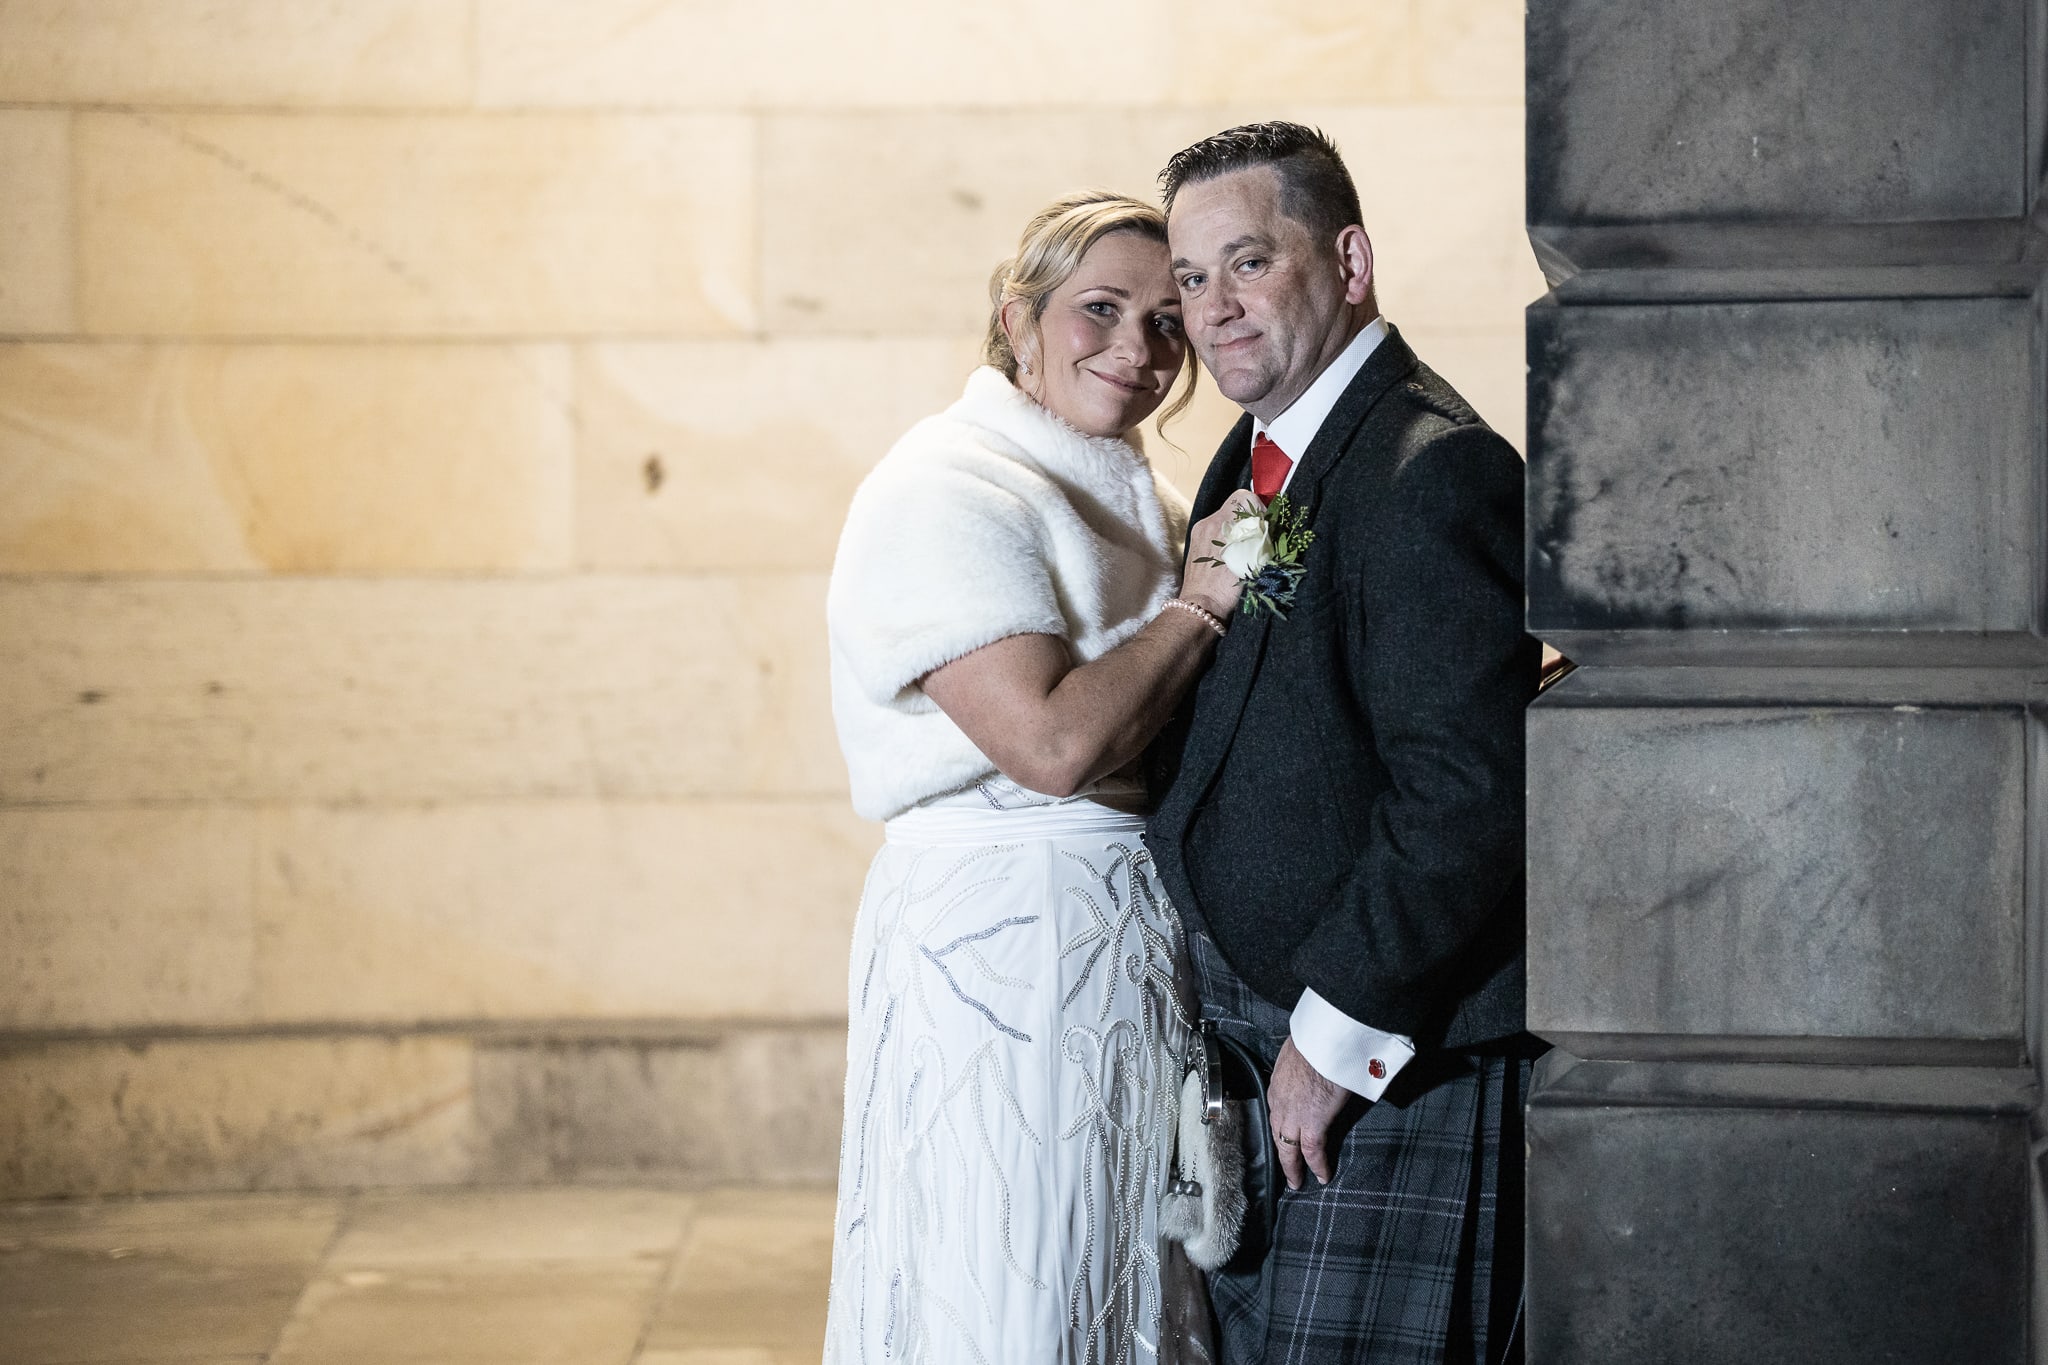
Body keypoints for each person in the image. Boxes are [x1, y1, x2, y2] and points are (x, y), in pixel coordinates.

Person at [822, 190, 1258, 1365]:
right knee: (1010, 1268)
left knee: (1122, 1272)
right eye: (1099, 310)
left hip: (1116, 941)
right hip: (1000, 948)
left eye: (1168, 323)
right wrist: (1200, 607)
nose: (1135, 351)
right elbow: (1054, 746)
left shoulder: (1146, 500)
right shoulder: (947, 488)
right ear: (1017, 320)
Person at [1143, 123, 1542, 1365]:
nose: (1213, 310)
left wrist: (1332, 1039)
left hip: (1385, 1063)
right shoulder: (1255, 452)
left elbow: (1466, 794)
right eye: (1193, 280)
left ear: (1349, 259)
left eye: (1247, 263)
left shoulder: (1433, 466)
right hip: (1263, 1045)